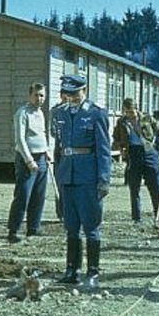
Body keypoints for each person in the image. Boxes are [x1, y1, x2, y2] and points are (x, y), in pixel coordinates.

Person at [54, 74, 111, 290]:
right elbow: (59, 147)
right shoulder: (60, 113)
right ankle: (72, 270)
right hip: (67, 176)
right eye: (68, 94)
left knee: (91, 227)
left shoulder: (96, 113)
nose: (72, 98)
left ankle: (93, 272)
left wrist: (104, 179)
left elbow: (103, 149)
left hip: (88, 177)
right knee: (71, 226)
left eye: (75, 93)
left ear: (84, 91)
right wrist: (59, 175)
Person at [112, 98, 159, 225]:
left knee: (156, 186)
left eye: (131, 111)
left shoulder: (147, 118)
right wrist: (121, 148)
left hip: (149, 152)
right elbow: (116, 138)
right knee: (134, 187)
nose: (129, 114)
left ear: (137, 109)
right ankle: (136, 218)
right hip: (133, 154)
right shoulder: (121, 122)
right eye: (126, 112)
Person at [7, 83, 50, 243]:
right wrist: (29, 160)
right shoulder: (22, 113)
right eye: (36, 95)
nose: (39, 98)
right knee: (23, 195)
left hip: (42, 158)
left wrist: (47, 151)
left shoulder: (40, 113)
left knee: (39, 195)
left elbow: (42, 134)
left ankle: (33, 227)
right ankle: (13, 230)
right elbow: (20, 139)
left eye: (42, 95)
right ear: (30, 95)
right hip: (27, 159)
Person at [50, 90, 69, 222]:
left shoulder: (76, 110)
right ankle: (61, 212)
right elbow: (53, 131)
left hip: (73, 149)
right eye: (65, 95)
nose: (67, 98)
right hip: (59, 148)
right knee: (59, 180)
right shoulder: (55, 110)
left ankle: (70, 212)